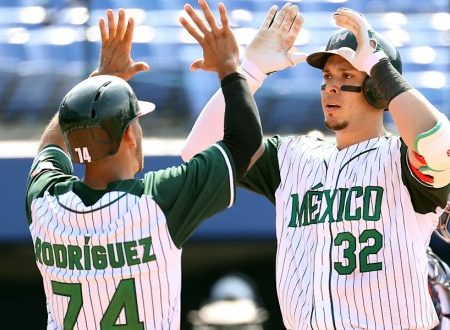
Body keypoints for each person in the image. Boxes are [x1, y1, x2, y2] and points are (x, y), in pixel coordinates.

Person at [181, 4, 450, 329]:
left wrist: (377, 65)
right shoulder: (292, 157)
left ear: (377, 89)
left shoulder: (401, 160)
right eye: (327, 76)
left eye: (347, 75)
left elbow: (438, 144)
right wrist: (250, 71)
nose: (331, 86)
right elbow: (198, 154)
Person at [25, 1, 264, 329]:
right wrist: (228, 65)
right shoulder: (157, 201)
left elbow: (50, 147)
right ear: (128, 137)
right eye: (137, 121)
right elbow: (244, 143)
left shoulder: (45, 204)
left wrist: (99, 81)